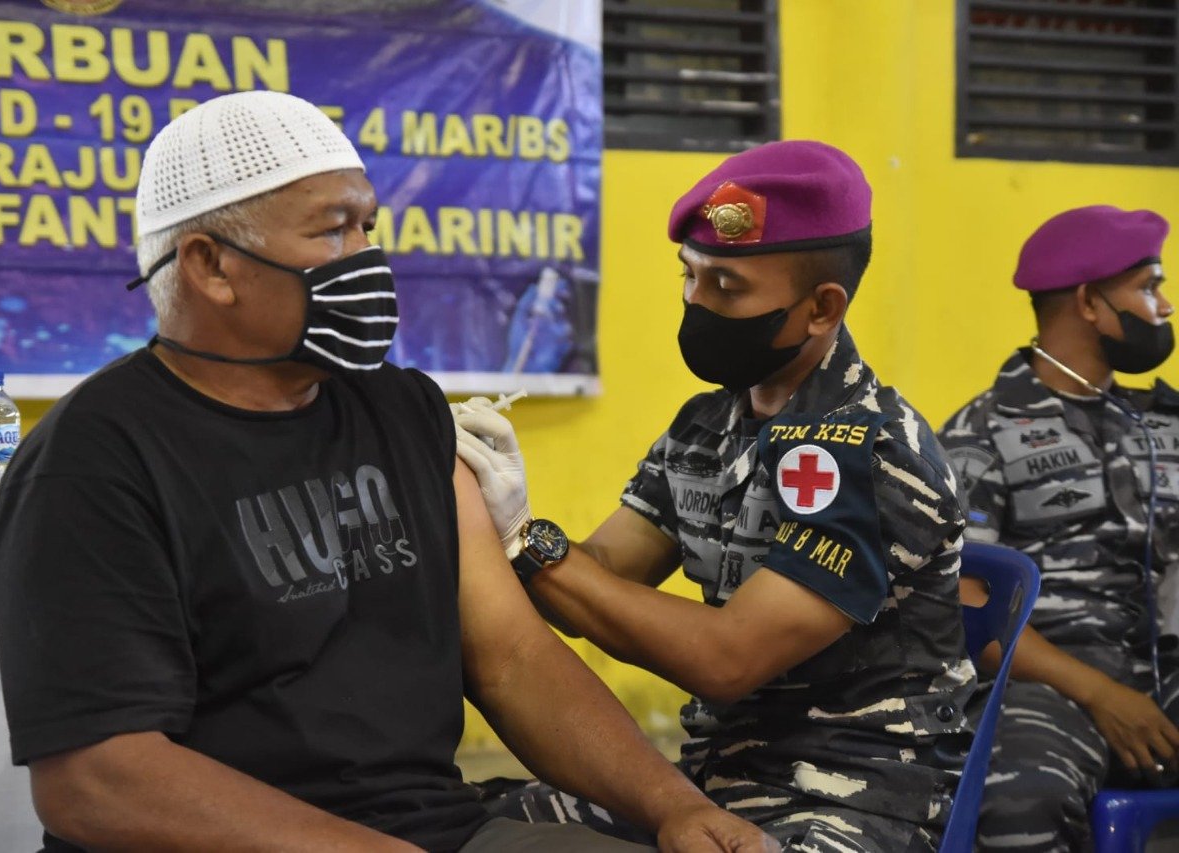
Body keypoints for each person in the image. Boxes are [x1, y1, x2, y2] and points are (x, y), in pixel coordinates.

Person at [0, 90, 778, 853]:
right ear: (211, 265)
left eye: (369, 225)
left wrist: (677, 808)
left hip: (437, 827)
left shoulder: (403, 410)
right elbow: (98, 778)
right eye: (333, 232)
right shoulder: (93, 465)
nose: (368, 258)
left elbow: (511, 656)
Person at [454, 140, 976, 852]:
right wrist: (489, 514)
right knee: (464, 823)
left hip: (856, 798)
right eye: (689, 276)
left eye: (726, 287)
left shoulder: (873, 453)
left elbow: (725, 659)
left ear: (822, 308)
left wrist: (529, 541)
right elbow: (602, 573)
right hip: (714, 779)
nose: (696, 303)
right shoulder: (708, 426)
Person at [937, 205, 1179, 852]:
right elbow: (967, 614)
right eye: (1148, 287)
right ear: (1089, 304)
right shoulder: (980, 434)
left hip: (1169, 670)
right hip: (1047, 681)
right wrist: (1101, 692)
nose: (1164, 305)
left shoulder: (1166, 423)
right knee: (1019, 798)